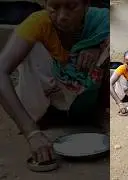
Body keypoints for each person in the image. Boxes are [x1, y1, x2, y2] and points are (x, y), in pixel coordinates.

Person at [0, 0, 109, 165]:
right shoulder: (38, 22)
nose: (62, 16)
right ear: (44, 5)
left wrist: (98, 46)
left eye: (71, 7)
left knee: (112, 49)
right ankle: (49, 116)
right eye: (54, 8)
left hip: (88, 102)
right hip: (52, 99)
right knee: (32, 44)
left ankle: (100, 114)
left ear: (86, 4)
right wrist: (31, 133)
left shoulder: (102, 20)